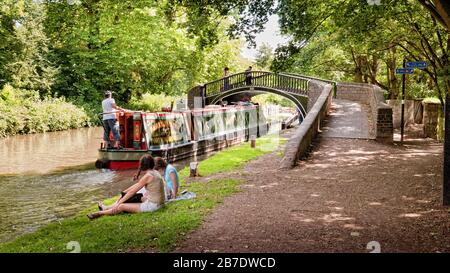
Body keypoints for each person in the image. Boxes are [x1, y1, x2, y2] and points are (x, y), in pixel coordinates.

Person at [87, 155, 165, 220]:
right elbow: (137, 185)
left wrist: (120, 202)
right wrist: (124, 192)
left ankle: (100, 213)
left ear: (143, 165)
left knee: (121, 206)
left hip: (153, 206)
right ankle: (106, 208)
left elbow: (132, 192)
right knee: (136, 197)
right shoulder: (155, 172)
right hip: (159, 203)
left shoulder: (148, 176)